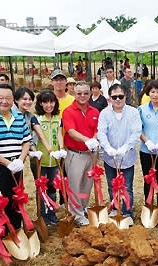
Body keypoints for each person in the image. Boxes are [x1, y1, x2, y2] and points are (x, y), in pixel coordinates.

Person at [0, 84, 32, 231]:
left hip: (17, 166)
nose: (4, 101)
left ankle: (16, 229)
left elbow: (26, 140)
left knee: (17, 200)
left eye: (8, 98)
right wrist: (7, 163)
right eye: (1, 98)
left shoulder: (19, 116)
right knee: (1, 200)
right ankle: (3, 233)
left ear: (13, 100)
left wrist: (20, 160)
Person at [97, 84, 142, 218]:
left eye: (120, 96)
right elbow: (101, 132)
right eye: (114, 97)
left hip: (127, 157)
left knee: (127, 186)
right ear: (109, 98)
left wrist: (126, 147)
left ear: (125, 97)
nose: (117, 99)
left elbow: (136, 132)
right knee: (112, 185)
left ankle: (127, 212)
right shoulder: (104, 113)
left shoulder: (133, 112)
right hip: (110, 158)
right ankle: (115, 208)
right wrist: (107, 147)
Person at [62, 82, 100, 226]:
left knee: (86, 184)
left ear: (90, 94)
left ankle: (82, 208)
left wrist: (94, 140)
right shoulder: (68, 111)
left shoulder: (95, 111)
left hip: (91, 154)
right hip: (75, 154)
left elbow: (97, 129)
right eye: (79, 93)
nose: (82, 96)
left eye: (86, 93)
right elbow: (71, 131)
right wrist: (86, 140)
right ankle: (76, 214)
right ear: (74, 93)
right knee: (75, 185)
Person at [30, 91, 64, 225]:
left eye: (51, 102)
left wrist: (61, 149)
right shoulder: (37, 119)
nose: (49, 105)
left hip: (54, 161)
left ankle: (51, 214)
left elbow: (60, 135)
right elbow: (34, 140)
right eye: (45, 102)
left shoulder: (57, 119)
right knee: (41, 188)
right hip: (41, 162)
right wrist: (36, 152)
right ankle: (42, 216)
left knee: (52, 187)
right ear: (40, 103)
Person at [15, 86, 37, 175]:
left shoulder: (30, 116)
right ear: (16, 100)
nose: (28, 102)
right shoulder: (12, 115)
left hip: (25, 151)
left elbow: (30, 136)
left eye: (30, 99)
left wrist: (34, 150)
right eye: (24, 99)